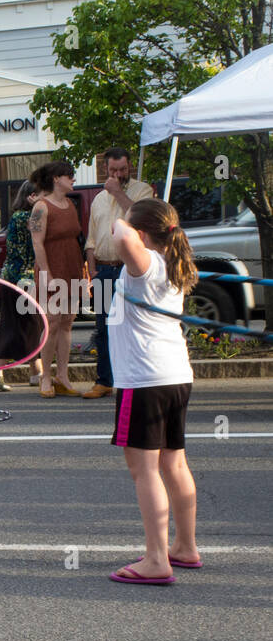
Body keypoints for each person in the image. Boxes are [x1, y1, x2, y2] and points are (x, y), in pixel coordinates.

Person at [107, 198, 200, 585]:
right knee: (173, 464)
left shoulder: (144, 266)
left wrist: (119, 219)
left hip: (145, 381)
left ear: (144, 235)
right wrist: (132, 215)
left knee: (143, 470)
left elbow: (123, 237)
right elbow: (131, 235)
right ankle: (185, 547)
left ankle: (157, 559)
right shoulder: (169, 265)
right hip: (175, 375)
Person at [84, 148, 154, 399]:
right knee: (104, 327)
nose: (118, 174)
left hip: (130, 269)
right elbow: (91, 238)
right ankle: (104, 380)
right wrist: (92, 270)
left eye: (122, 169)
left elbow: (142, 219)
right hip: (103, 269)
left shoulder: (142, 190)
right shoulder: (98, 199)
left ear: (130, 167)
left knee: (132, 325)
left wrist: (118, 192)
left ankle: (136, 381)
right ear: (105, 169)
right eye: (113, 170)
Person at [29, 161, 85, 398]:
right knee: (51, 322)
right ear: (56, 179)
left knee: (67, 322)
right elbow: (37, 243)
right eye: (69, 176)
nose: (73, 180)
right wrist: (48, 275)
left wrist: (84, 273)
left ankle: (63, 375)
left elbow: (77, 239)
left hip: (72, 266)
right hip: (51, 268)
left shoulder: (70, 204)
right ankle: (45, 378)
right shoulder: (41, 207)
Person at [0, 181, 45, 387]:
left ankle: (35, 370)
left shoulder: (20, 217)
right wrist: (41, 205)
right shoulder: (24, 217)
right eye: (42, 195)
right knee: (23, 326)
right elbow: (38, 231)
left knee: (28, 325)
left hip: (18, 277)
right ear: (32, 196)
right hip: (21, 278)